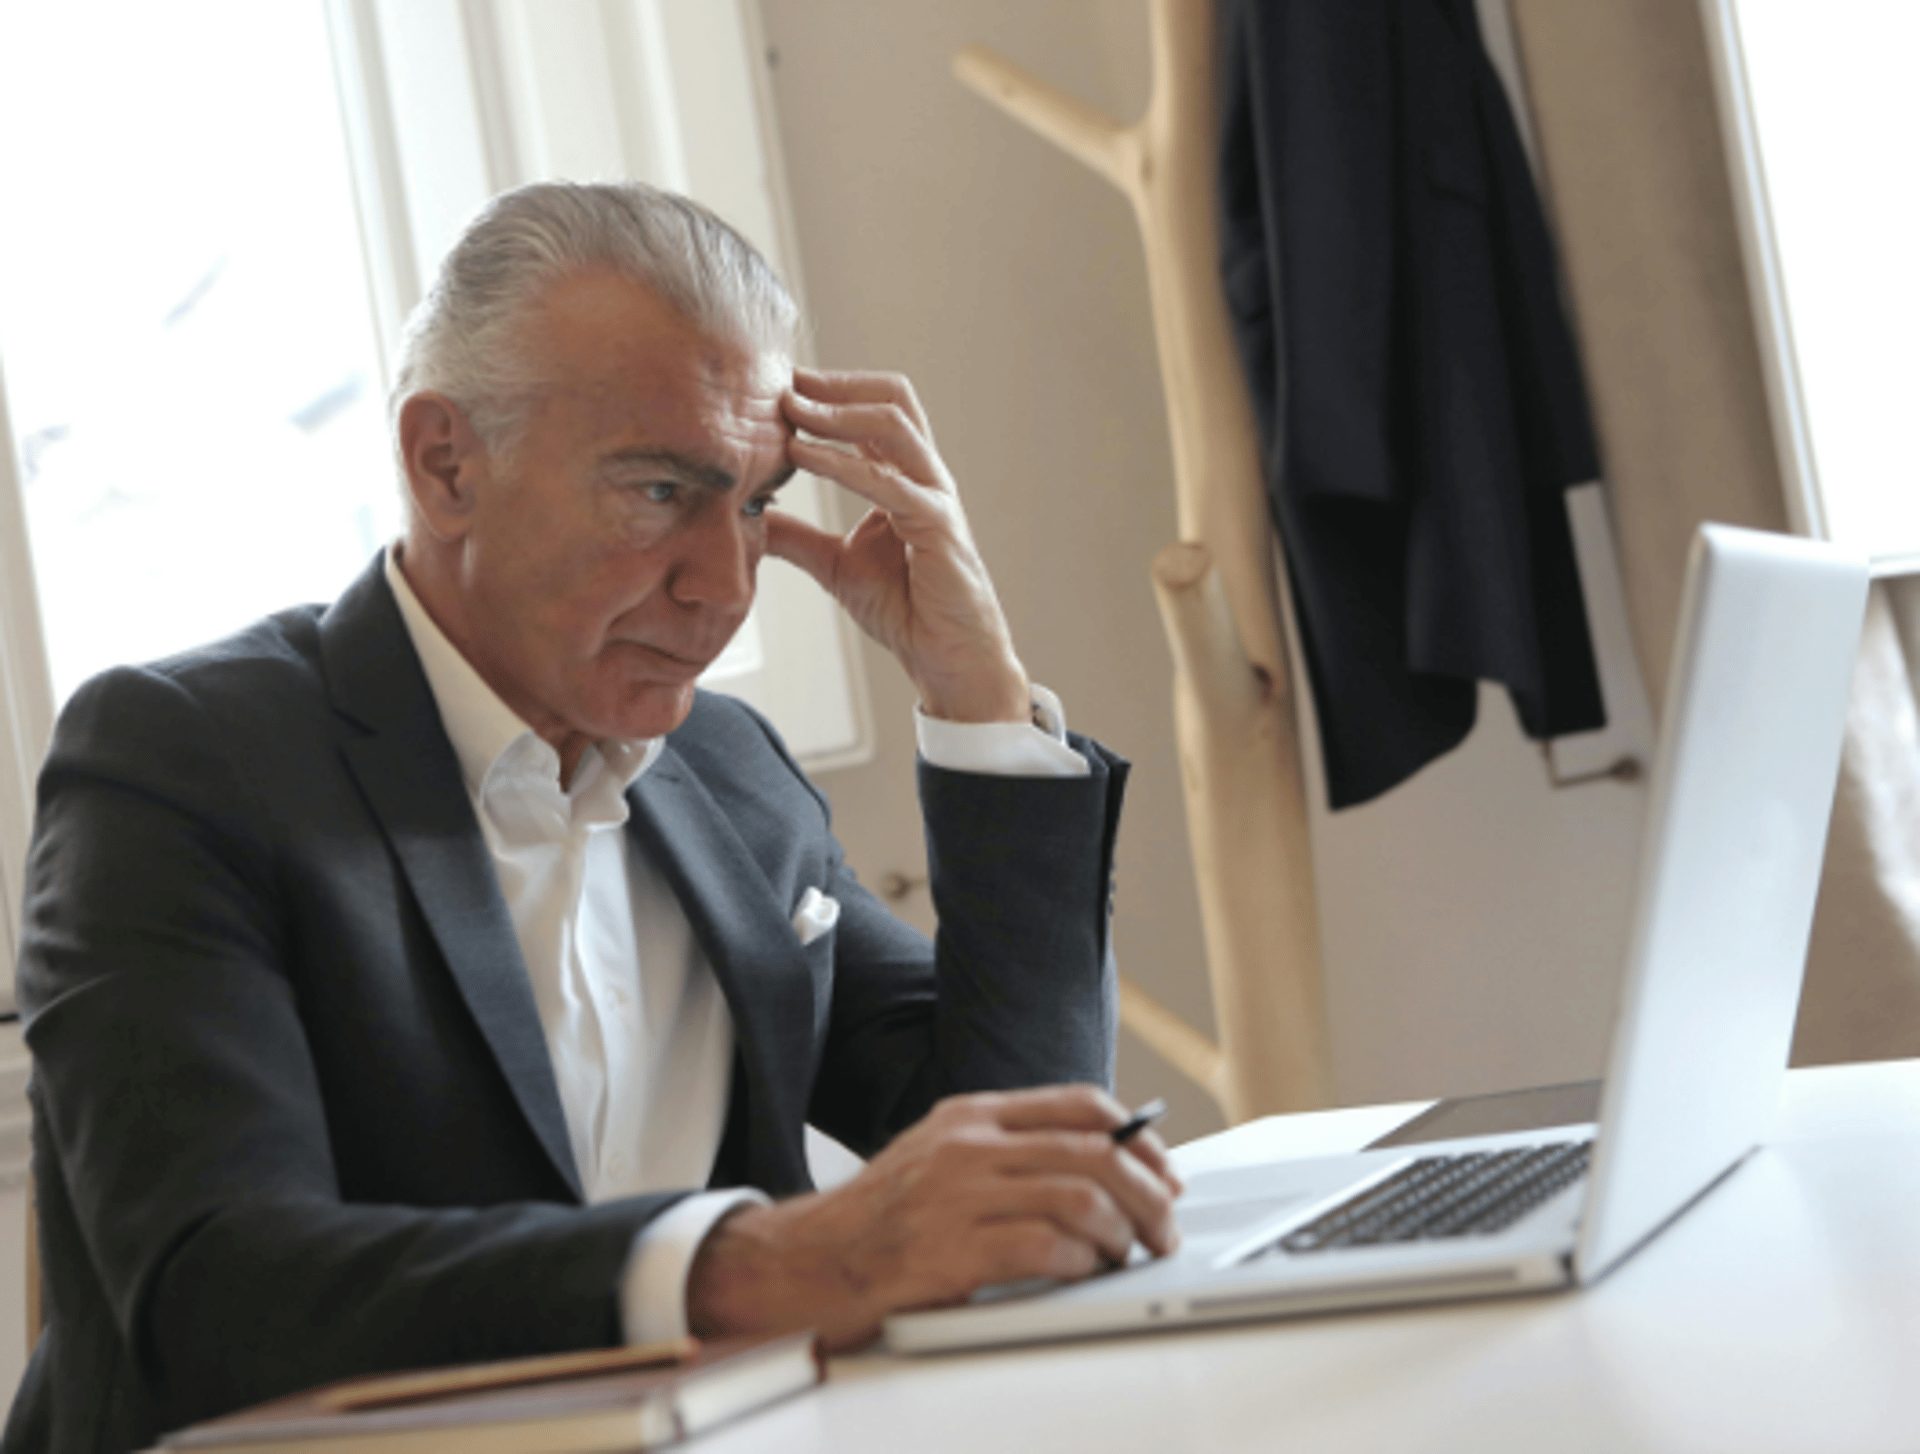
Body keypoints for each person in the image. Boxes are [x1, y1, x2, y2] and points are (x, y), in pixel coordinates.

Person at [5, 181, 1179, 1453]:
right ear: (445, 463)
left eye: (752, 500)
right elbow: (218, 1292)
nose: (726, 585)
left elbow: (1020, 1152)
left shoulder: (729, 771)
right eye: (661, 491)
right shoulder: (180, 760)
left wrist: (978, 688)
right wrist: (749, 1263)